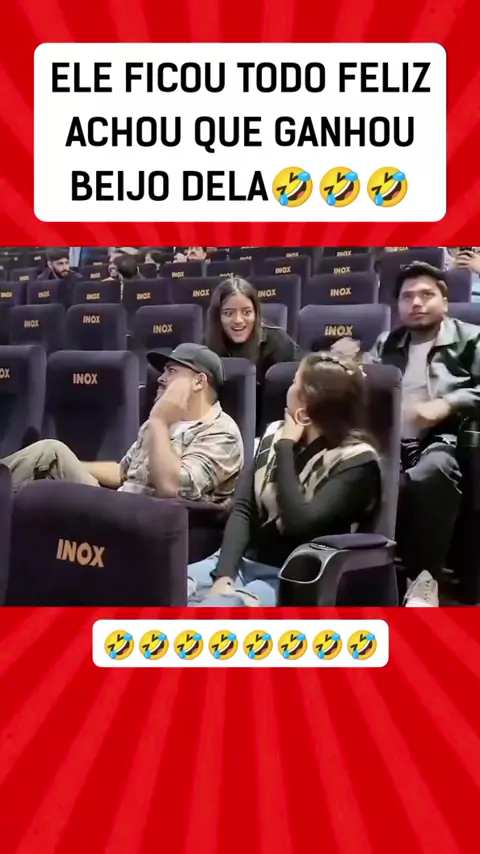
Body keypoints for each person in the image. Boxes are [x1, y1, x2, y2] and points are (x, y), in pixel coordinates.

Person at [336, 261, 480, 607]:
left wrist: (447, 403)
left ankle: (424, 578)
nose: (416, 303)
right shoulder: (388, 342)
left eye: (426, 295)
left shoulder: (472, 339)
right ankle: (360, 575)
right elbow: (366, 384)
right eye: (407, 296)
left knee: (432, 470)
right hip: (391, 440)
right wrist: (347, 366)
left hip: (446, 439)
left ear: (445, 301)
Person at [188, 352, 381, 607]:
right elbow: (243, 508)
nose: (288, 389)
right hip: (237, 564)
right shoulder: (274, 434)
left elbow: (299, 524)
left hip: (290, 577)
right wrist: (224, 577)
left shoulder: (357, 462)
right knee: (162, 587)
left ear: (307, 407)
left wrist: (286, 447)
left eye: (294, 383)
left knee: (214, 611)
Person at [2, 344, 244, 505]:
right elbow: (122, 473)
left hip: (148, 524)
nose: (161, 378)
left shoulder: (221, 433)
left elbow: (172, 489)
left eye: (172, 371)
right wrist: (64, 467)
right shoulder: (159, 422)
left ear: (199, 382)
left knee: (50, 455)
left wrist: (160, 422)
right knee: (52, 453)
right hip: (118, 507)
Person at [205, 277, 300, 432]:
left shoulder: (278, 343)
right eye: (228, 313)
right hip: (219, 430)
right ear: (218, 317)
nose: (238, 320)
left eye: (247, 312)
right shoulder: (207, 346)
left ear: (256, 314)